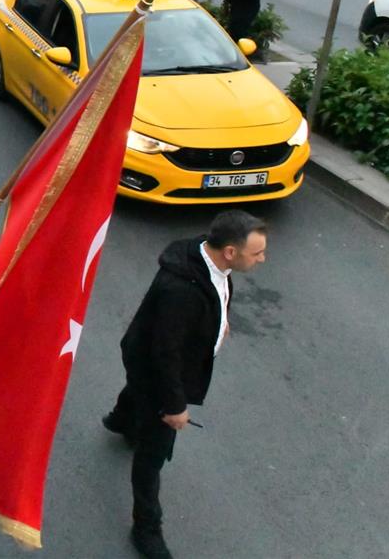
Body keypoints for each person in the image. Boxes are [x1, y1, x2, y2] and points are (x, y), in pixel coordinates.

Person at [102, 211, 268, 559]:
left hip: (147, 358)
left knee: (137, 393)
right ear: (230, 252)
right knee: (153, 454)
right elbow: (166, 355)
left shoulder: (205, 257)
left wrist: (216, 322)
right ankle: (146, 527)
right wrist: (174, 407)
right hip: (157, 373)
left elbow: (215, 296)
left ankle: (121, 418)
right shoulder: (182, 291)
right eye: (257, 253)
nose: (262, 259)